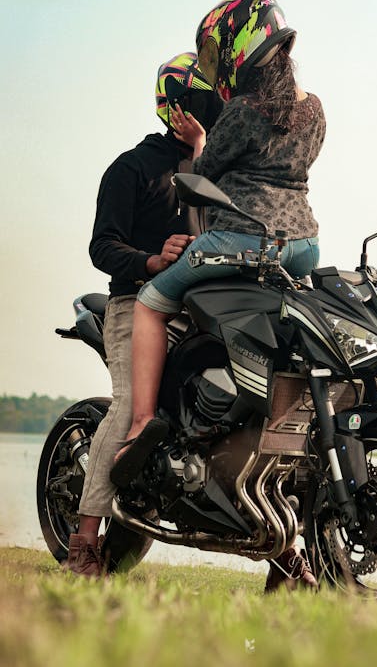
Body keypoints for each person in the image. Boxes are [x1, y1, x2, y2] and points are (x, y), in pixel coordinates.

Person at [112, 0, 325, 591]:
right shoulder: (314, 110)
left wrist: (202, 152)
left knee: (154, 303)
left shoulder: (241, 114)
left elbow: (199, 182)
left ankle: (142, 421)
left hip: (242, 243)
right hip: (304, 246)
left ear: (238, 49)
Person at [65, 52, 221, 577]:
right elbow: (102, 246)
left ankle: (288, 556)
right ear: (175, 107)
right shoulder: (131, 167)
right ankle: (84, 541)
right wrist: (152, 260)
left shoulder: (215, 169)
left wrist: (202, 153)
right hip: (135, 303)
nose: (214, 106)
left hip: (201, 311)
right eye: (203, 99)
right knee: (132, 403)